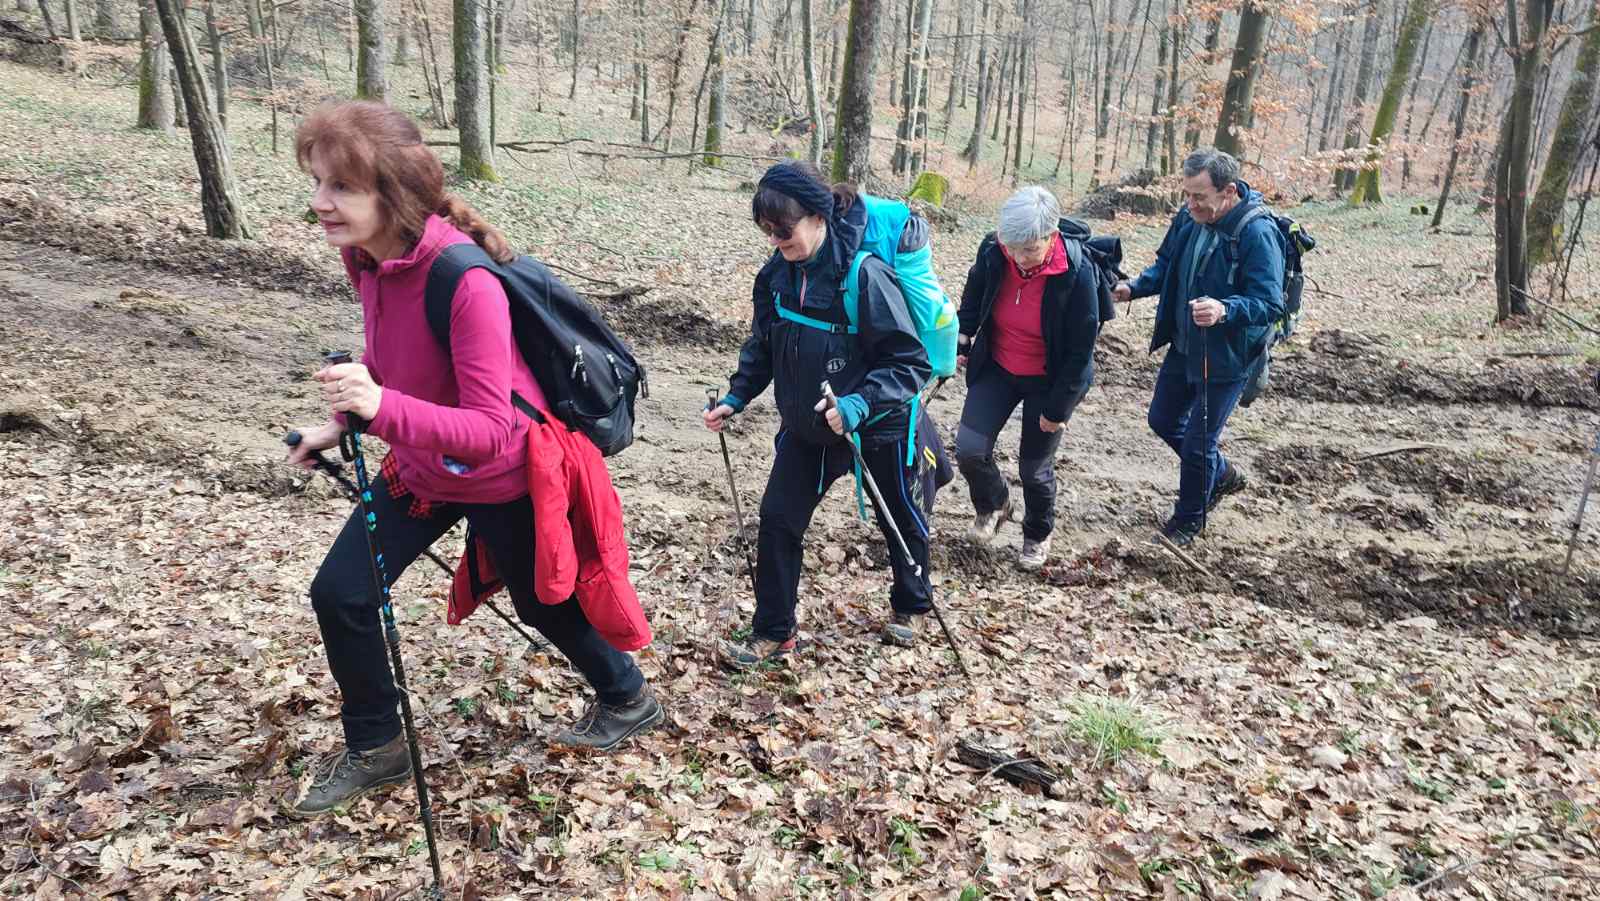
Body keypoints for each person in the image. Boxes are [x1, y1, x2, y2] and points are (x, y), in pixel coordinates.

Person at [282, 101, 661, 818]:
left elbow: (491, 430)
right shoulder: (367, 259)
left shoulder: (467, 281)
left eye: (340, 187)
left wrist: (377, 408)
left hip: (502, 474)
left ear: (393, 194)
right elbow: (396, 361)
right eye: (318, 183)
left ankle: (627, 696)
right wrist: (340, 423)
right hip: (423, 466)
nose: (319, 202)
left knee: (543, 602)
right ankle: (378, 746)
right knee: (342, 594)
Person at [704, 161, 939, 666]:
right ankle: (774, 631)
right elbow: (764, 342)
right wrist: (737, 396)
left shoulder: (865, 275)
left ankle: (912, 605)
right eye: (767, 231)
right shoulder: (776, 274)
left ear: (817, 217)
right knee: (778, 520)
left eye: (783, 230)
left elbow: (910, 363)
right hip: (809, 425)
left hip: (879, 424)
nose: (775, 241)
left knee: (900, 517)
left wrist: (857, 404)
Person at [1112, 148, 1285, 546]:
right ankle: (1221, 475)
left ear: (1228, 192)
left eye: (1199, 197)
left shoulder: (1257, 233)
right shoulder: (1189, 216)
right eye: (1187, 195)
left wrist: (1225, 309)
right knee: (1162, 420)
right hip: (1185, 345)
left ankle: (1187, 523)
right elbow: (1166, 265)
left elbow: (1270, 303)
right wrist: (1133, 288)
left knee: (1197, 444)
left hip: (1228, 357)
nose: (1190, 204)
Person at [953, 187, 1102, 571]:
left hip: (1050, 379)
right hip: (999, 366)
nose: (1019, 258)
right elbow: (974, 292)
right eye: (1013, 247)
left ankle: (1037, 532)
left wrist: (1058, 409)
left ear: (1052, 236)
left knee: (1033, 470)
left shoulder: (1077, 273)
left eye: (1030, 249)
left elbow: (1081, 352)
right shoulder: (994, 250)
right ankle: (994, 504)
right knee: (969, 449)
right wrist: (963, 334)